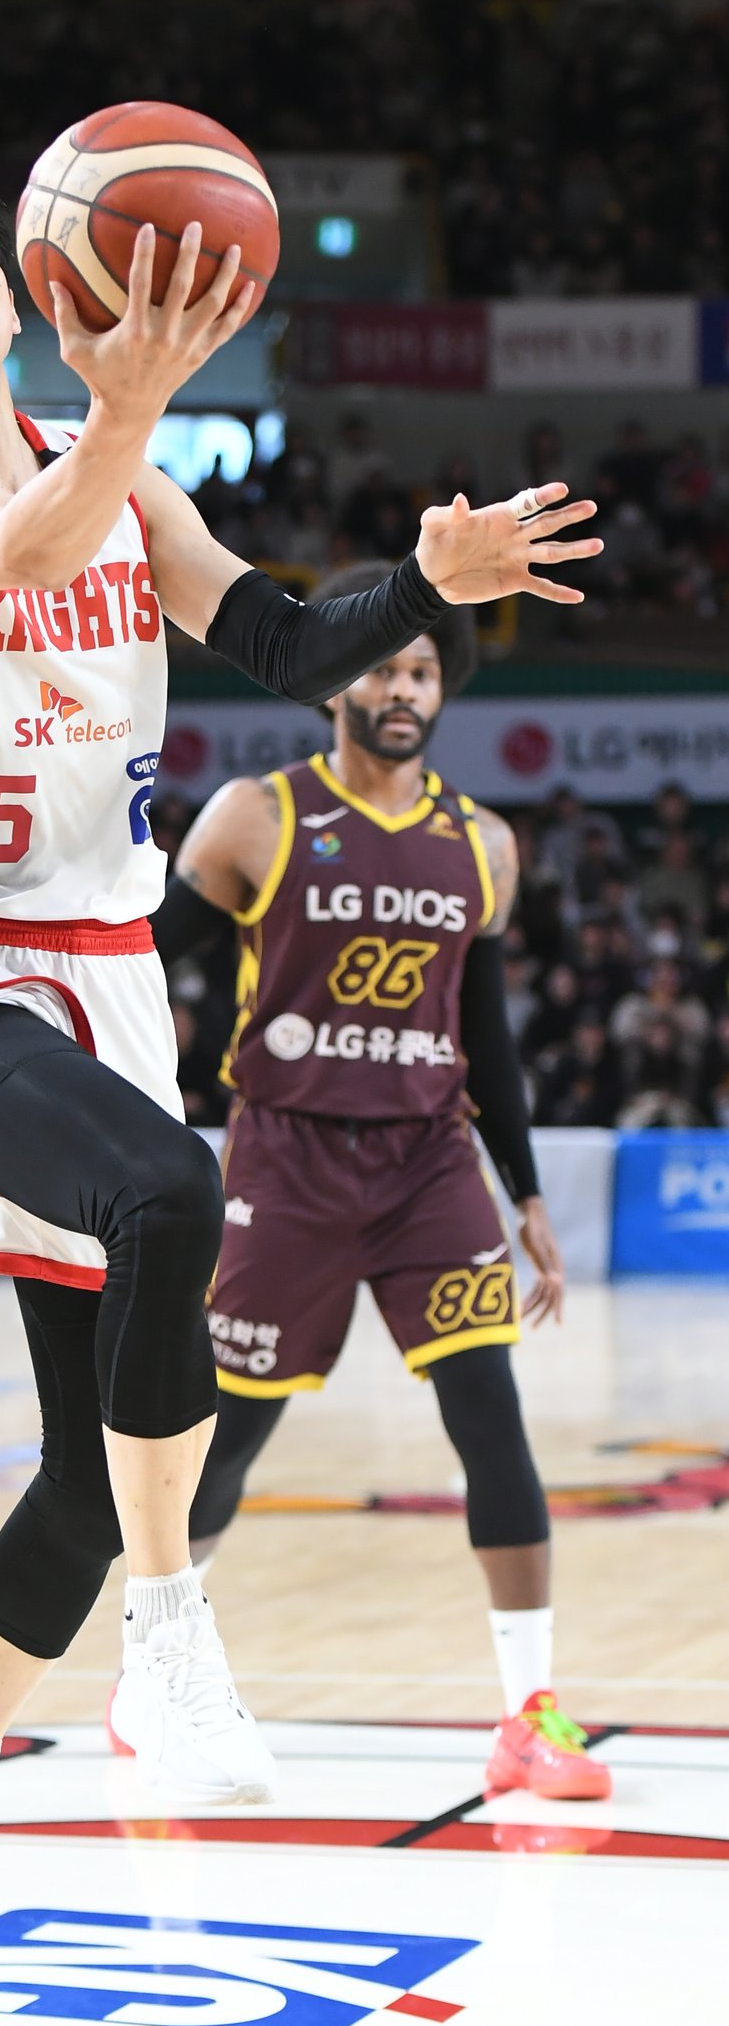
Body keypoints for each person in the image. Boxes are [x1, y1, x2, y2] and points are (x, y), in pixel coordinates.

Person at [0, 157, 601, 1983]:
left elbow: (291, 640)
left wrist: (420, 578)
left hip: (105, 983)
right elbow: (7, 548)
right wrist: (138, 407)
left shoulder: (121, 467)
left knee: (88, 1477)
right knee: (173, 1189)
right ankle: (174, 1638)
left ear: (22, 287)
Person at [145, 559, 611, 1805]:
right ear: (331, 687)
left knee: (488, 1416)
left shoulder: (482, 844)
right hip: (285, 1160)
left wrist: (522, 1195)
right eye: (381, 667)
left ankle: (528, 1712)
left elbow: (491, 1035)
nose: (402, 688)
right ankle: (158, 1672)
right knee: (229, 1435)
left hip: (425, 1170)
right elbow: (136, 963)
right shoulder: (256, 814)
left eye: (419, 671)